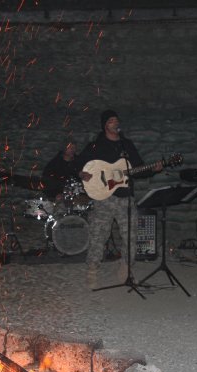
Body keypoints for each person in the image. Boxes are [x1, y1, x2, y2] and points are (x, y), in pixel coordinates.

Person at [78, 109, 162, 287]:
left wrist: (152, 169)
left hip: (126, 198)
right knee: (98, 235)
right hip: (103, 199)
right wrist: (81, 173)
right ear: (104, 125)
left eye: (117, 120)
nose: (115, 123)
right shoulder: (95, 145)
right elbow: (79, 163)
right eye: (111, 121)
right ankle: (92, 270)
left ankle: (126, 269)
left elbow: (137, 168)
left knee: (131, 235)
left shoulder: (127, 145)